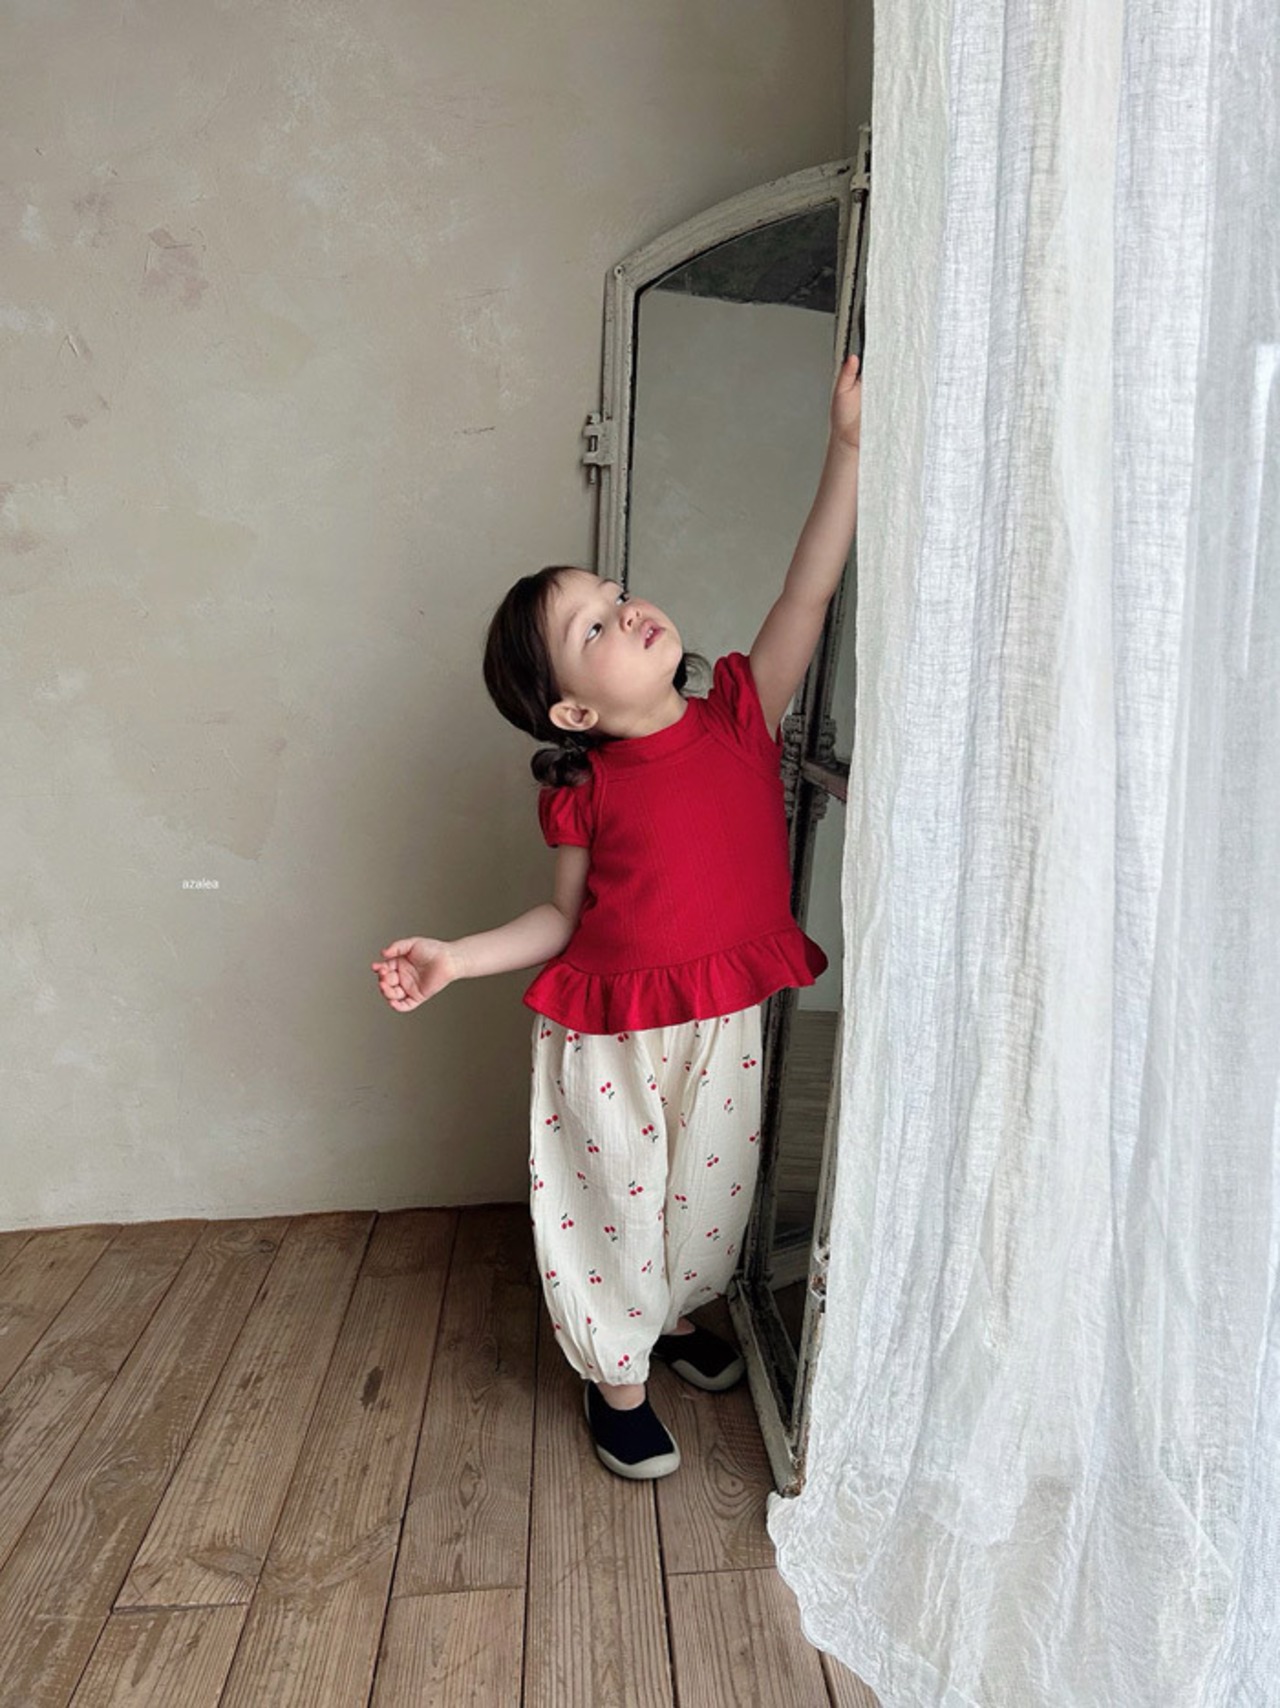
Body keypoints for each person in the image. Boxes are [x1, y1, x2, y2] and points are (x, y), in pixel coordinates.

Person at [372, 352, 862, 1481]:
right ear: (572, 710)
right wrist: (457, 956)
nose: (624, 609)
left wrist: (845, 452)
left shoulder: (739, 713)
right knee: (612, 1203)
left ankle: (674, 1315)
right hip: (610, 1036)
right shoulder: (582, 787)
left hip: (719, 1016)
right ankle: (618, 1379)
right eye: (590, 627)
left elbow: (805, 593)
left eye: (613, 593)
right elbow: (560, 921)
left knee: (708, 1194)